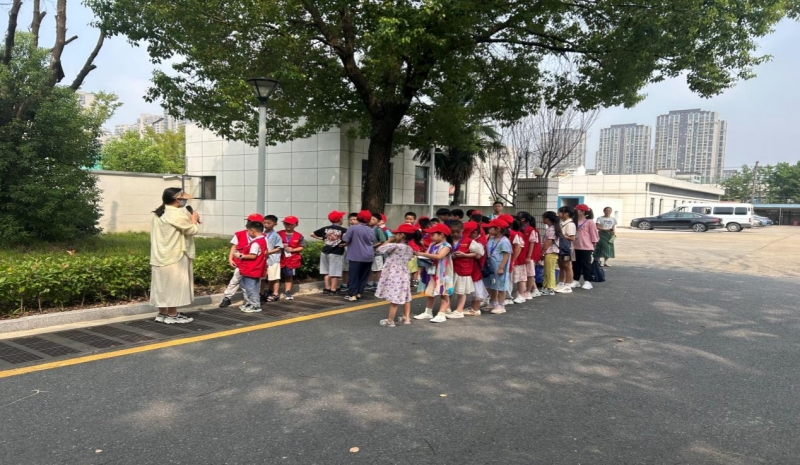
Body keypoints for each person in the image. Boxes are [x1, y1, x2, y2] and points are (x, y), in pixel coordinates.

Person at [150, 187, 199, 324]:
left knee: (161, 285)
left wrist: (190, 220)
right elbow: (191, 230)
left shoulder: (159, 212)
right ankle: (172, 315)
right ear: (177, 199)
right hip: (175, 254)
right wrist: (194, 219)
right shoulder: (176, 214)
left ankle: (162, 313)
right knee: (173, 285)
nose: (185, 202)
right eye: (184, 199)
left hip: (160, 253)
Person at [219, 213, 264, 308]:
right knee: (235, 280)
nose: (249, 223)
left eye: (251, 221)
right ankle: (227, 297)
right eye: (249, 221)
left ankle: (249, 302)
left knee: (251, 284)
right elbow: (234, 247)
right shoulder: (240, 234)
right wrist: (230, 259)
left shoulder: (262, 237)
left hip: (254, 265)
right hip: (241, 263)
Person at [375, 224, 416, 327]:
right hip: (404, 273)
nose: (395, 235)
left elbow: (379, 249)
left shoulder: (394, 246)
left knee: (394, 297)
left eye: (397, 234)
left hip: (393, 274)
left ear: (402, 235)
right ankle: (406, 317)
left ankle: (390, 320)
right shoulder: (409, 248)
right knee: (406, 295)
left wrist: (389, 240)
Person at [413, 223, 453, 323]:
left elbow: (439, 256)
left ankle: (442, 313)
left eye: (433, 234)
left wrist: (422, 254)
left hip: (442, 273)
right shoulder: (432, 244)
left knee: (443, 293)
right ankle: (428, 311)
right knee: (430, 292)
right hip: (431, 271)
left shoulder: (447, 246)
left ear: (442, 235)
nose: (431, 236)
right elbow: (427, 254)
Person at [447, 221, 485, 319]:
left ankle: (459, 310)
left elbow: (478, 254)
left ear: (462, 230)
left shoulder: (469, 241)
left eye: (458, 232)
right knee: (448, 290)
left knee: (461, 291)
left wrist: (464, 255)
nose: (455, 234)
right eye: (453, 232)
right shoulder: (448, 240)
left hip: (463, 269)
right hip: (451, 269)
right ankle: (447, 308)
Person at [232, 220, 268, 313]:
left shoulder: (255, 243)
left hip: (251, 269)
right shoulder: (263, 240)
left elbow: (253, 256)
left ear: (252, 231)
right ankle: (250, 303)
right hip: (256, 268)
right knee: (252, 287)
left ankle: (255, 305)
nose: (247, 233)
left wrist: (239, 255)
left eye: (248, 231)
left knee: (251, 288)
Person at [311, 210, 348, 295]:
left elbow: (312, 234)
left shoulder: (325, 228)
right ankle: (333, 289)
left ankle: (327, 288)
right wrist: (345, 244)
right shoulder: (343, 230)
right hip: (336, 252)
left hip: (325, 252)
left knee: (326, 271)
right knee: (335, 272)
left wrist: (321, 238)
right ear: (340, 219)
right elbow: (348, 240)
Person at [342, 210, 375, 302]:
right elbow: (372, 240)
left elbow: (346, 239)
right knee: (363, 275)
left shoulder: (353, 228)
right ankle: (359, 293)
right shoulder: (370, 230)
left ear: (358, 218)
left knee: (353, 275)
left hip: (355, 255)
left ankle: (352, 294)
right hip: (368, 255)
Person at [483, 218, 512, 314]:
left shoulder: (504, 241)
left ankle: (501, 305)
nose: (489, 229)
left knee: (500, 286)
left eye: (491, 228)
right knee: (492, 285)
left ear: (498, 229)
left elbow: (506, 255)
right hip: (491, 266)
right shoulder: (491, 238)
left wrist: (501, 267)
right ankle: (493, 302)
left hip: (499, 266)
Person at [571, 204, 599, 290]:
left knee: (586, 264)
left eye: (577, 210)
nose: (575, 211)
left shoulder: (589, 222)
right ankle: (576, 280)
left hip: (586, 247)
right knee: (575, 264)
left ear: (583, 211)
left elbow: (594, 234)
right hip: (575, 246)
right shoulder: (574, 221)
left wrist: (594, 243)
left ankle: (587, 281)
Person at [279, 216, 306, 300]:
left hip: (292, 259)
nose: (288, 225)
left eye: (291, 224)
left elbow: (302, 246)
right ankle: (273, 291)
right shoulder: (278, 233)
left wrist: (293, 249)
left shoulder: (299, 235)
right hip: (280, 258)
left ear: (296, 225)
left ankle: (287, 291)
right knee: (275, 276)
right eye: (286, 223)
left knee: (289, 275)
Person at [518, 212, 542, 299]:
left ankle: (528, 291)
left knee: (530, 273)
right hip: (523, 254)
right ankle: (530, 289)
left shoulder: (531, 230)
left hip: (529, 255)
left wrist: (529, 256)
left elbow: (532, 243)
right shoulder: (521, 228)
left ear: (523, 219)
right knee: (525, 272)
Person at [262, 215, 284, 302]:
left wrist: (269, 252)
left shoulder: (276, 235)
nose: (266, 225)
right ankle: (262, 293)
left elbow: (279, 247)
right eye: (264, 223)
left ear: (275, 224)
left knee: (274, 277)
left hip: (273, 259)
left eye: (268, 223)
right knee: (263, 277)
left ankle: (275, 294)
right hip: (263, 259)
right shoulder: (262, 233)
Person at [555, 206, 576, 293]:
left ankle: (568, 285)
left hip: (567, 248)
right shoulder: (562, 223)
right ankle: (561, 283)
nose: (558, 214)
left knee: (567, 266)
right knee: (561, 266)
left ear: (566, 213)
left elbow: (572, 238)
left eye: (560, 212)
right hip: (561, 248)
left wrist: (561, 236)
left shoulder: (570, 224)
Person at [541, 211, 561, 296]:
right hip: (550, 252)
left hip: (551, 252)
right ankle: (546, 286)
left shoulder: (551, 229)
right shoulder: (553, 228)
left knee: (550, 270)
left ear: (547, 219)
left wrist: (542, 251)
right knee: (547, 270)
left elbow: (548, 242)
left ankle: (551, 288)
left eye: (543, 218)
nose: (542, 220)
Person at [366, 212, 388, 290]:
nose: (371, 220)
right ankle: (369, 283)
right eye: (370, 219)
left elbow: (382, 240)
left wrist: (373, 246)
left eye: (373, 219)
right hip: (367, 252)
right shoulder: (366, 228)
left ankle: (379, 283)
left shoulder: (378, 229)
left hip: (377, 253)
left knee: (378, 269)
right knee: (369, 269)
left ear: (378, 221)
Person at [340, 213, 359, 292]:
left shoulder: (361, 230)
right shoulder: (347, 230)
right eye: (350, 220)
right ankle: (345, 284)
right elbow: (345, 239)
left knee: (356, 269)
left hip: (357, 252)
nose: (352, 221)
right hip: (347, 251)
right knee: (346, 268)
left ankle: (355, 284)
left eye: (354, 219)